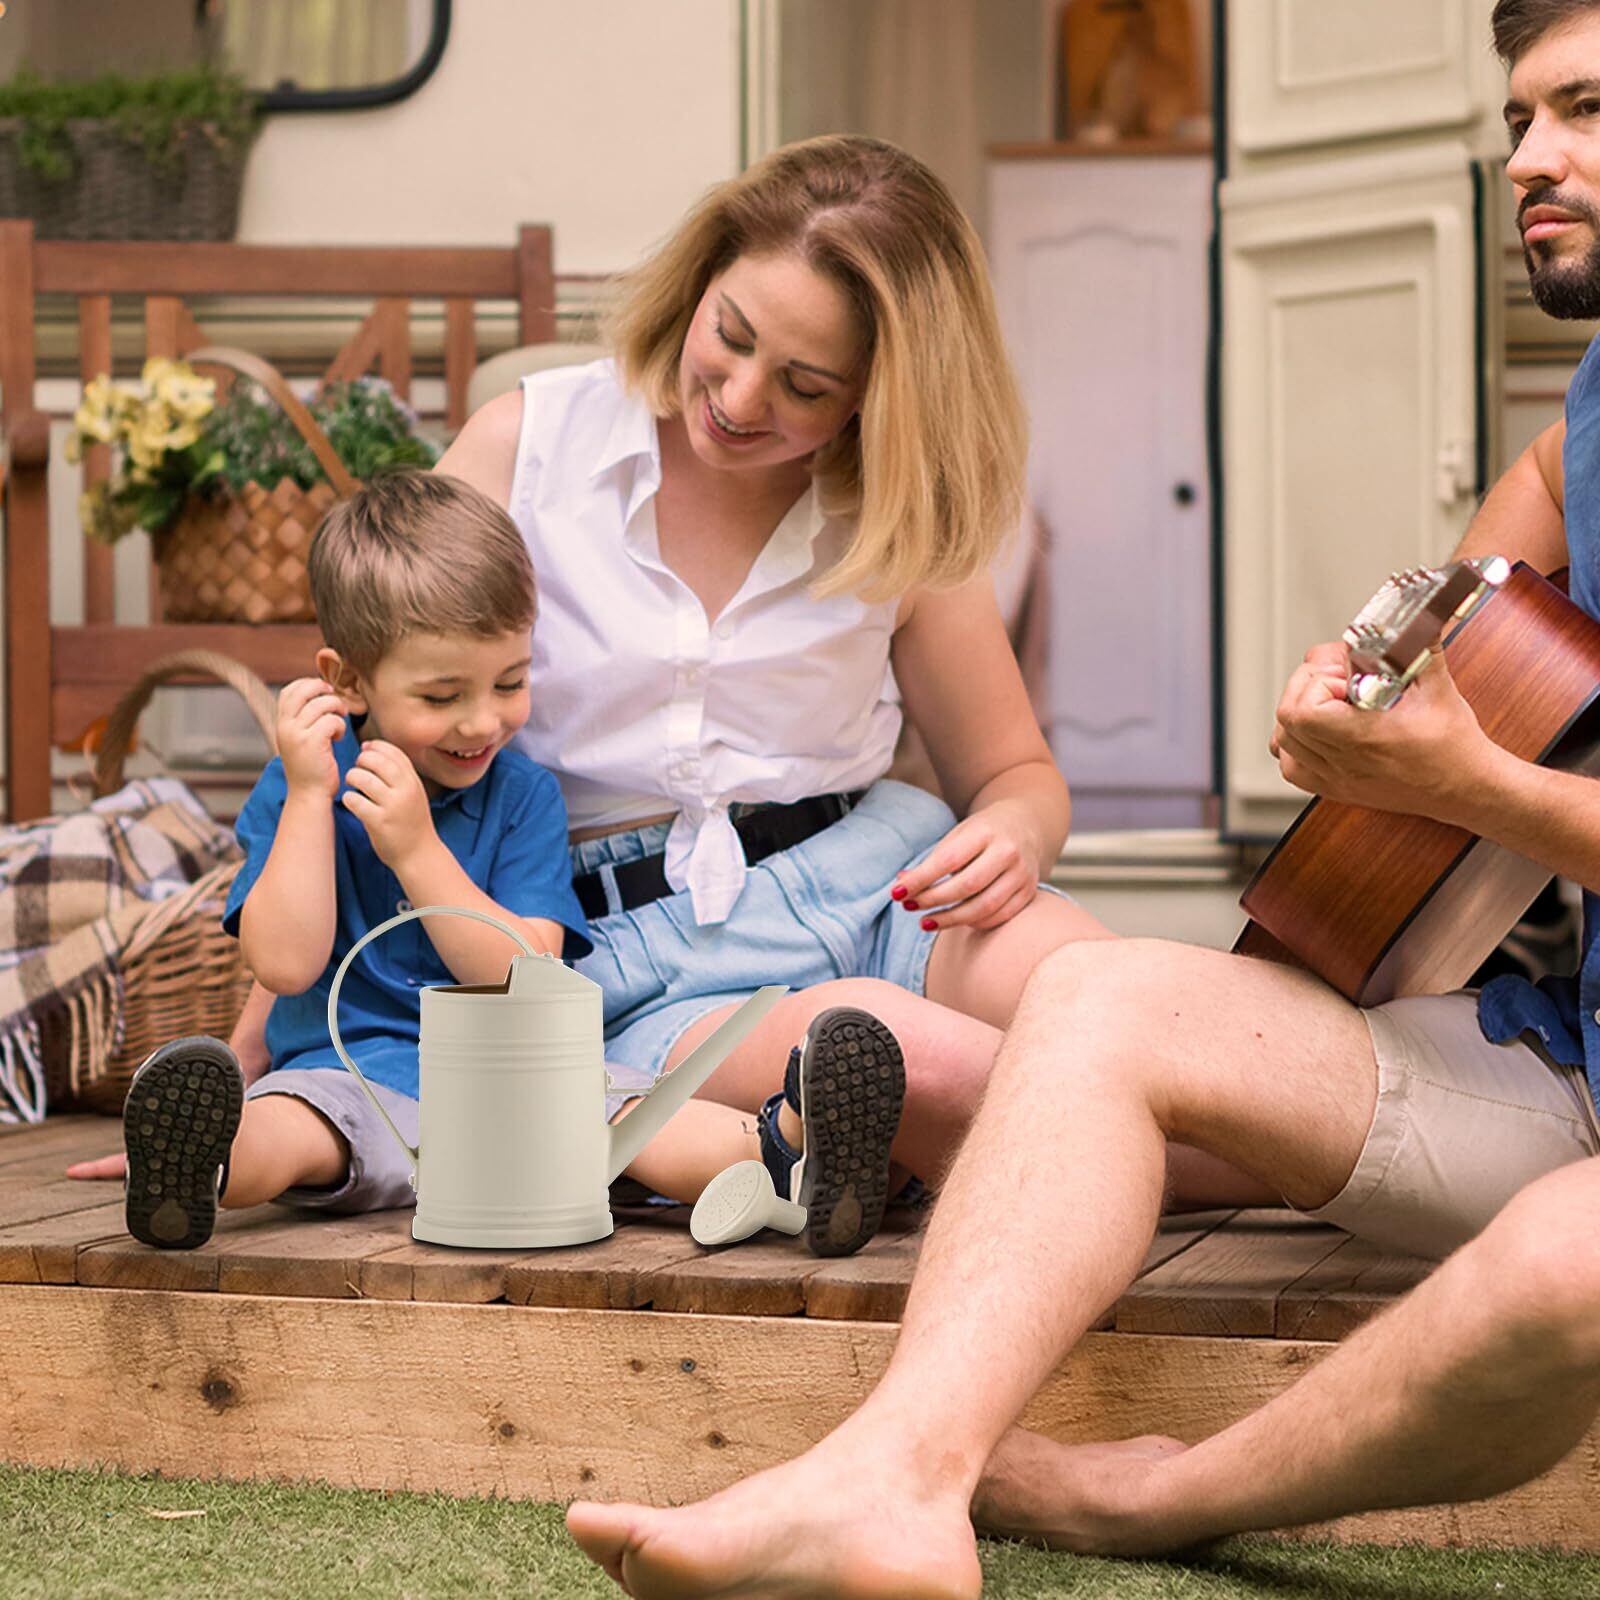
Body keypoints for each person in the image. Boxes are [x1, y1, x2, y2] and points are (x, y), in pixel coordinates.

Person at [562, 3, 1600, 1592]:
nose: (1529, 158)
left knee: (1553, 1268)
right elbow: (1511, 543)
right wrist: (1391, 684)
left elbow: (1026, 768)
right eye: (1520, 117)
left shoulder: (888, 517)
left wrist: (1475, 782)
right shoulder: (1591, 406)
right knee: (1101, 1000)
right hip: (1567, 1064)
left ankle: (1139, 1496)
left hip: (1558, 1186)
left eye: (1585, 110)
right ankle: (897, 1482)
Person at [115, 471, 593, 1247]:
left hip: (513, 1089)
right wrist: (310, 796)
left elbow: (529, 980)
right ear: (348, 681)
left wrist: (417, 850)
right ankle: (195, 1163)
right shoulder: (303, 784)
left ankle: (779, 1151)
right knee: (295, 1128)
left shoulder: (525, 796)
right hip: (347, 1082)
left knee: (640, 1114)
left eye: (510, 682)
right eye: (442, 696)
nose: (483, 721)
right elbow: (285, 965)